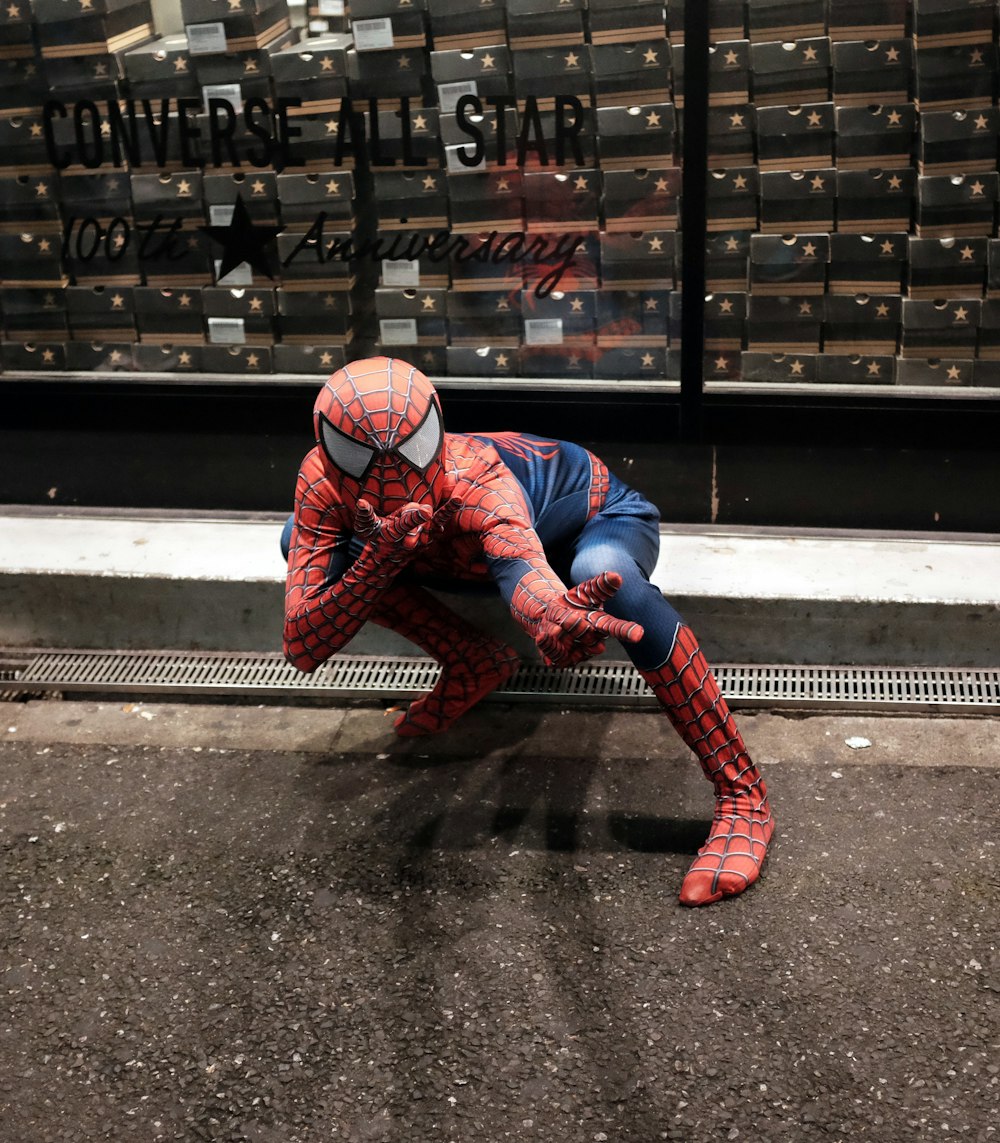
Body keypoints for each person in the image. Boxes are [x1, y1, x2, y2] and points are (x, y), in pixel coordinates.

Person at [282, 356, 773, 907]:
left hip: (595, 522)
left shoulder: (477, 477)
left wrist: (552, 614)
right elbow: (304, 644)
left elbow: (522, 568)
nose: (389, 474)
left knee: (608, 580)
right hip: (454, 555)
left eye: (410, 449)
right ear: (326, 447)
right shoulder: (321, 482)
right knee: (305, 548)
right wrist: (375, 560)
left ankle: (741, 791)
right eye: (357, 456)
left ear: (436, 428)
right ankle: (472, 660)